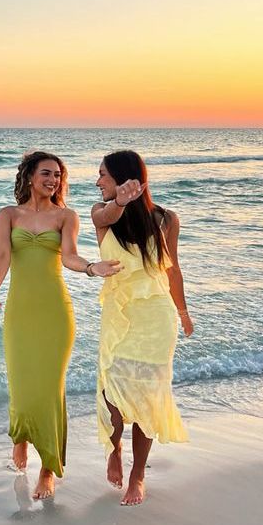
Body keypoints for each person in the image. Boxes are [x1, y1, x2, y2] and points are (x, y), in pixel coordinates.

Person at [0, 150, 121, 500]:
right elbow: (2, 255)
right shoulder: (8, 215)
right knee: (20, 384)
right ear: (30, 176)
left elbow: (70, 256)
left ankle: (48, 467)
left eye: (59, 175)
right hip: (19, 312)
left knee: (49, 389)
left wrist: (92, 268)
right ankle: (20, 436)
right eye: (47, 173)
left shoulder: (66, 216)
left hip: (54, 313)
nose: (53, 180)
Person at [91, 150, 193, 506]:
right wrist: (119, 201)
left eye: (102, 174)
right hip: (120, 314)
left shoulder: (166, 219)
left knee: (149, 396)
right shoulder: (101, 214)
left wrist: (183, 312)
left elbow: (172, 269)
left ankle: (138, 474)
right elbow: (109, 213)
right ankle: (114, 447)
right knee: (112, 389)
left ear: (122, 176)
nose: (97, 180)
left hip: (156, 317)